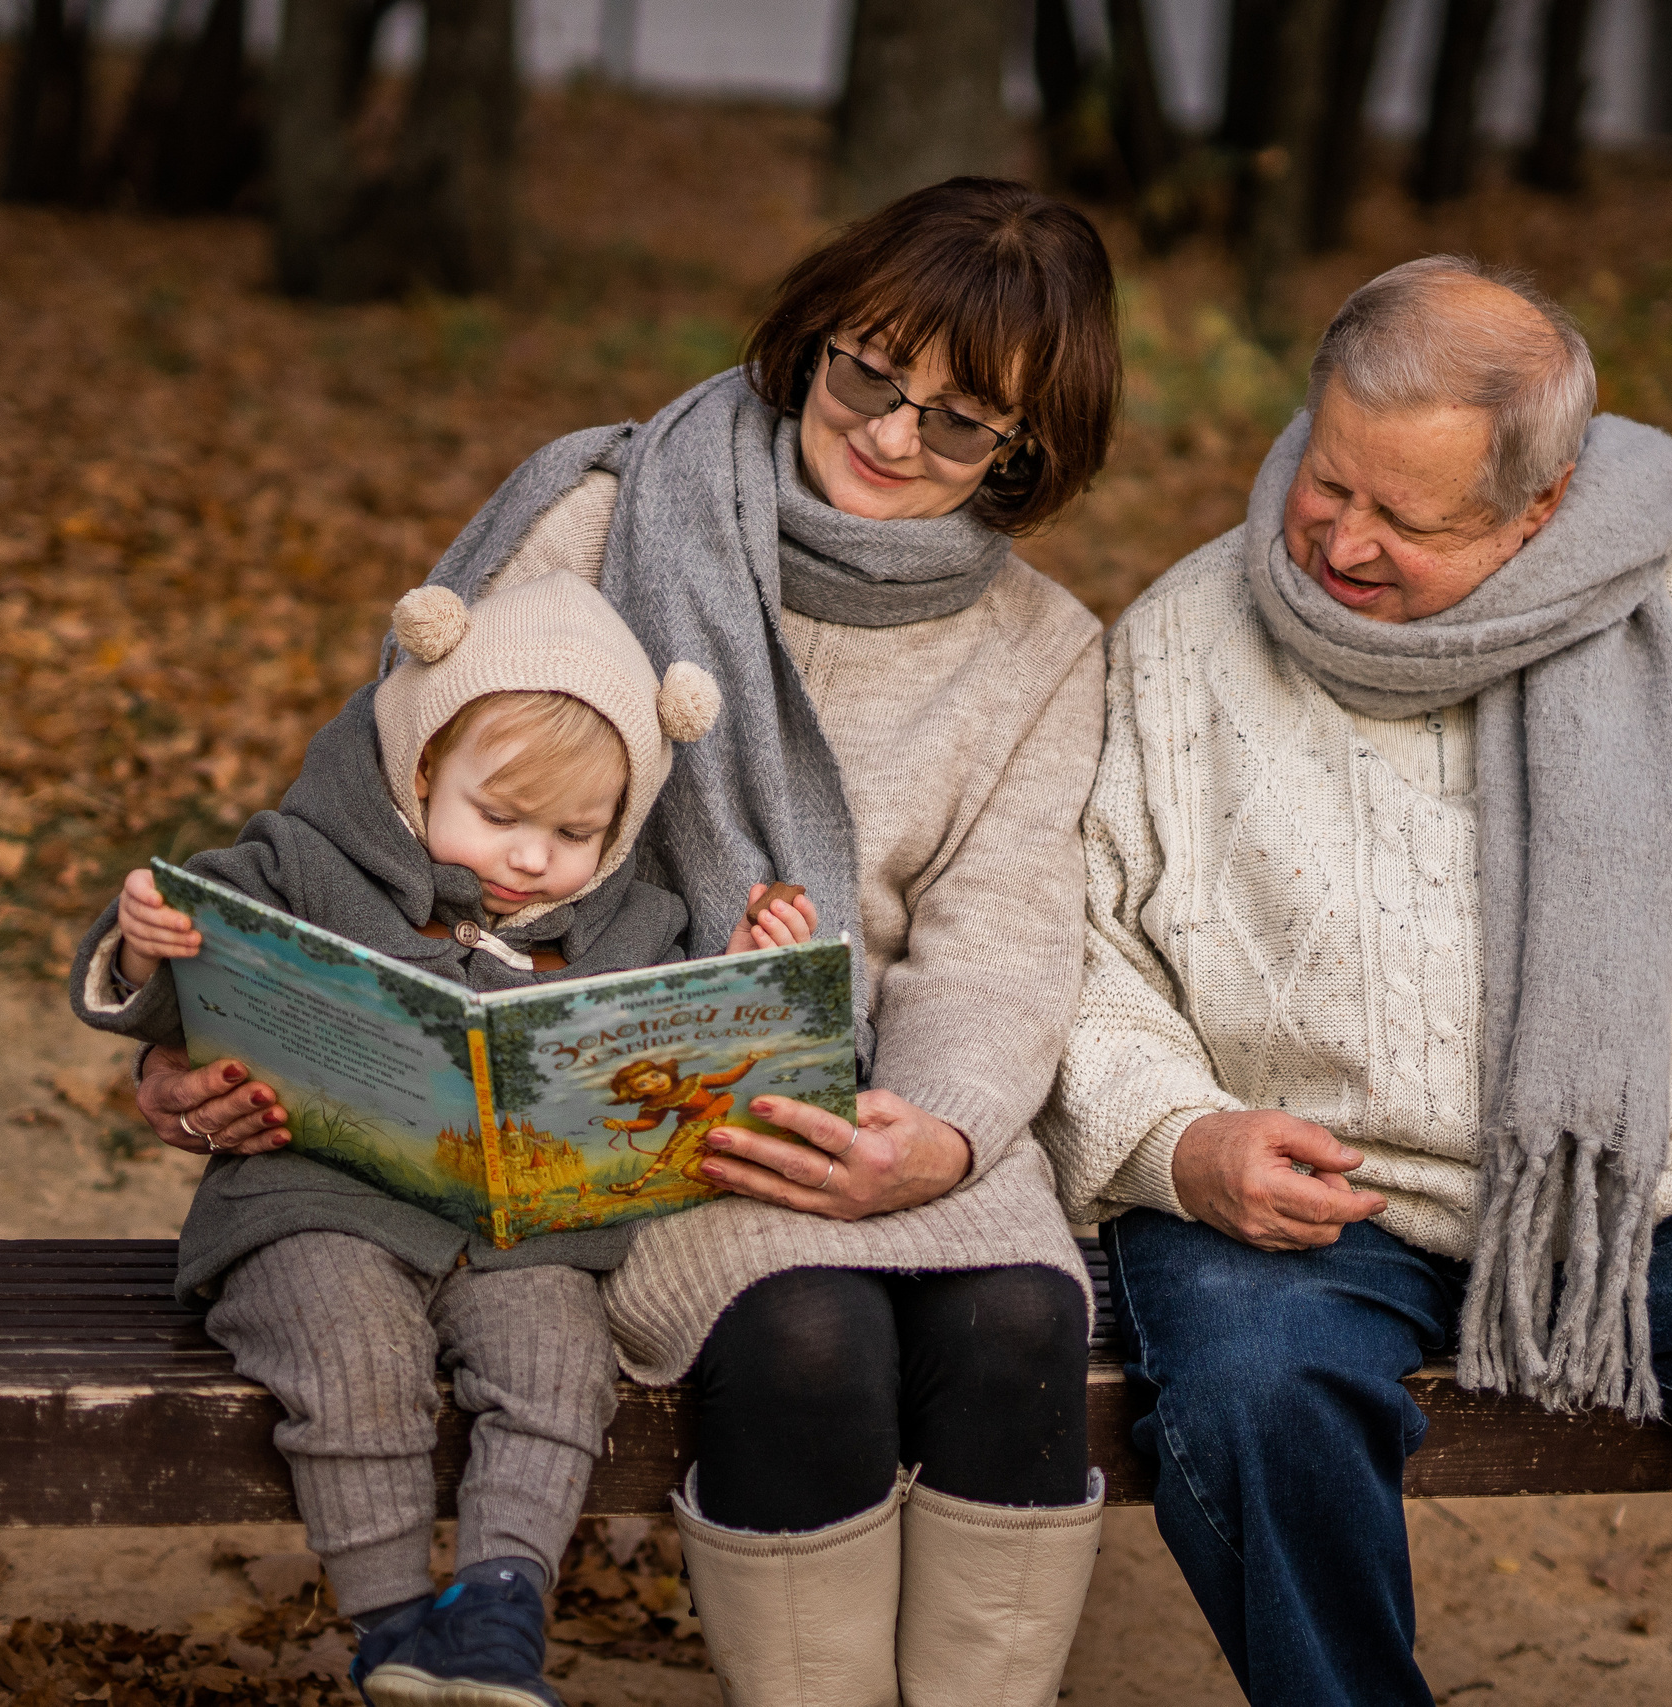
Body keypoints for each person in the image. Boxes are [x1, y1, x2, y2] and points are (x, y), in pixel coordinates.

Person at [129, 176, 1125, 1707]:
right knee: (809, 1336)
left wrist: (933, 1132)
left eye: (961, 421)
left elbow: (1000, 935)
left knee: (1016, 1317)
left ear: (1027, 452)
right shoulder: (603, 513)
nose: (888, 435)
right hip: (642, 1121)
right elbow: (400, 799)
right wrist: (221, 1036)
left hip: (902, 1103)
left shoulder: (1043, 646)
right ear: (814, 336)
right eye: (868, 370)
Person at [1041, 254, 1672, 1707]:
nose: (1338, 537)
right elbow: (1081, 950)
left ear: (1541, 505)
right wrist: (1182, 1139)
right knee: (1257, 1403)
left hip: (1657, 1169)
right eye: (1328, 477)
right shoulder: (1187, 636)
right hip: (1306, 1176)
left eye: (1406, 514)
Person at [70, 567, 813, 1707]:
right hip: (313, 1201)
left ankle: (500, 1609)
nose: (529, 858)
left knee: (558, 1367)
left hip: (520, 1232)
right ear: (419, 773)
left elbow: (687, 1067)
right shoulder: (300, 865)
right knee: (351, 1351)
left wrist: (752, 969)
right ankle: (393, 1624)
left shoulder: (631, 925)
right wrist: (142, 948)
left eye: (575, 832)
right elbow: (185, 995)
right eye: (499, 817)